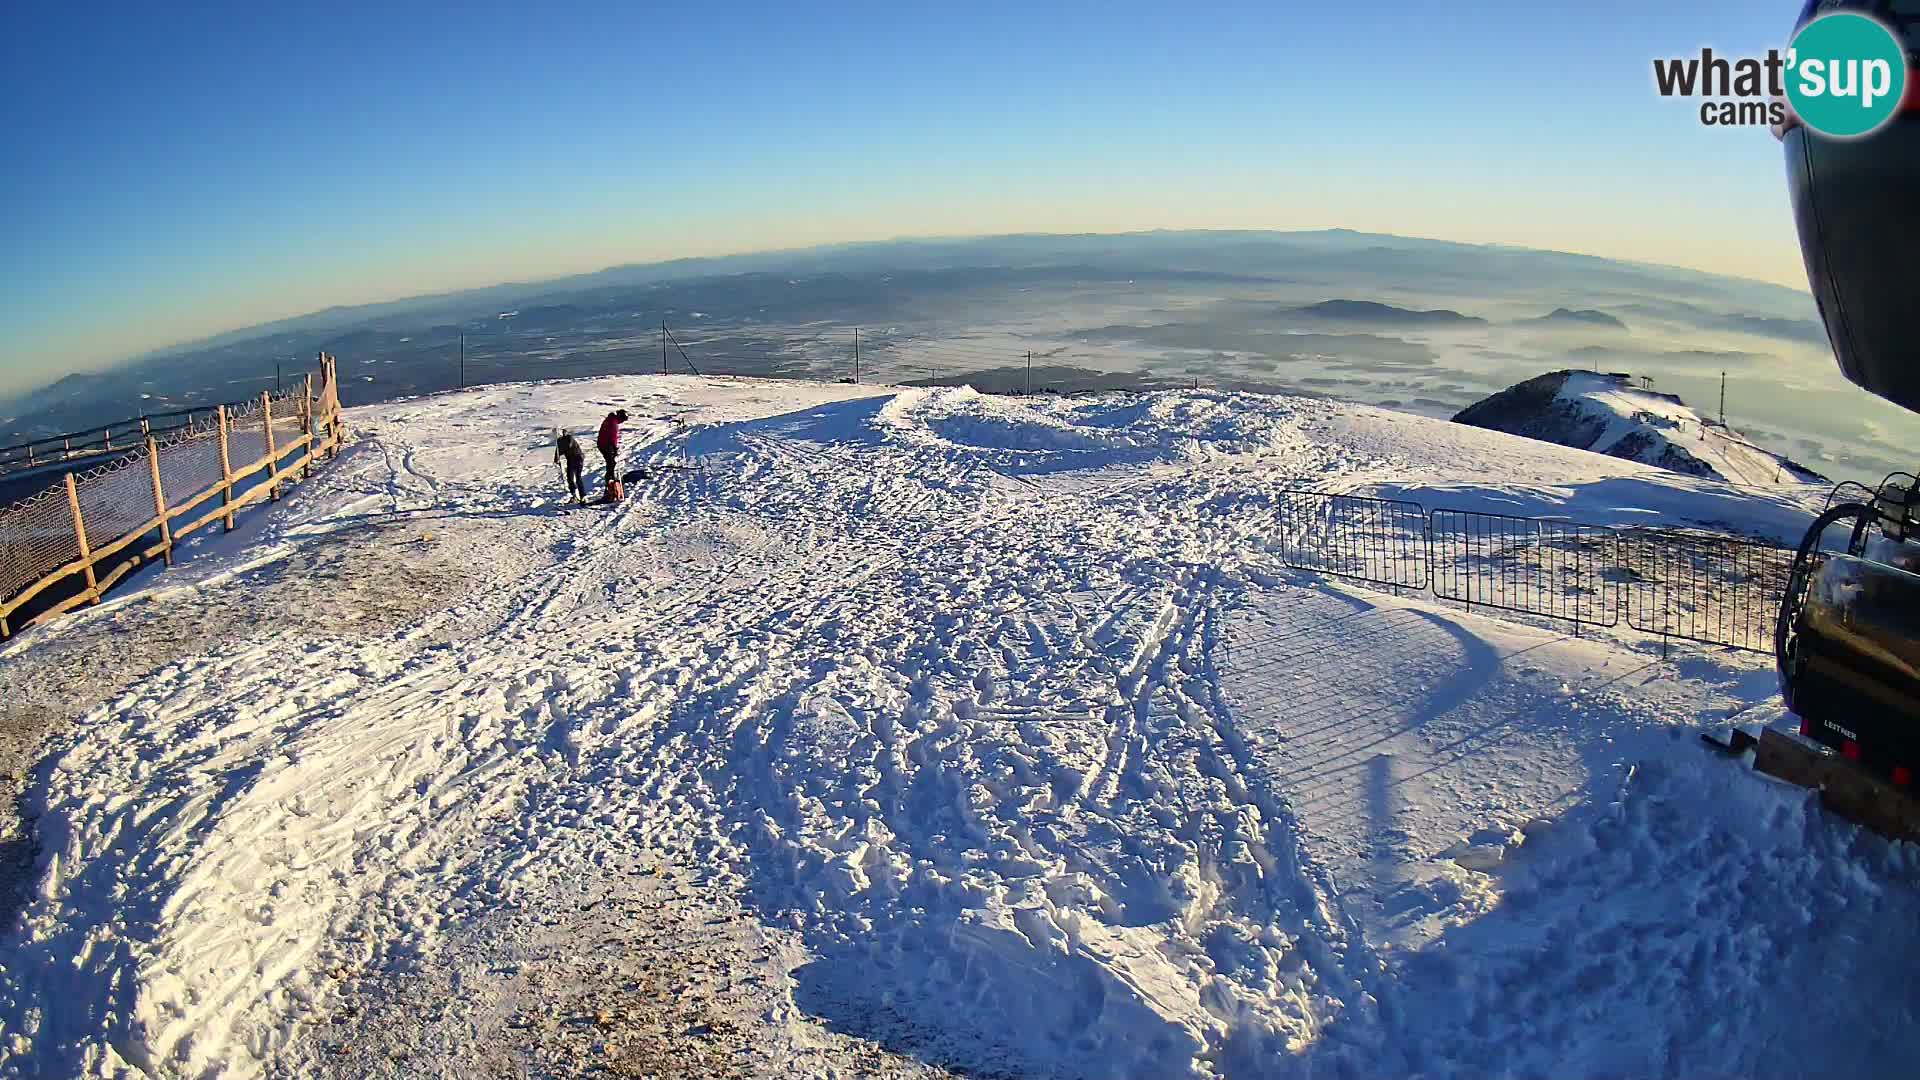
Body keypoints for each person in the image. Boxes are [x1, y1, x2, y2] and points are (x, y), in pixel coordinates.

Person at [596, 409, 629, 492]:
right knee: (611, 463)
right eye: (622, 420)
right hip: (606, 445)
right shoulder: (613, 423)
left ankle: (610, 478)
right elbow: (612, 437)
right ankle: (609, 481)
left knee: (611, 463)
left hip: (603, 444)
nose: (622, 422)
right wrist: (614, 448)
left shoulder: (610, 419)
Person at [554, 431, 586, 502]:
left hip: (578, 458)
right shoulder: (559, 441)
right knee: (570, 477)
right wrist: (556, 458)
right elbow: (557, 451)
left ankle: (582, 496)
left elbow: (569, 445)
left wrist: (560, 452)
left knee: (578, 477)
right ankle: (573, 495)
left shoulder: (569, 438)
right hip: (570, 459)